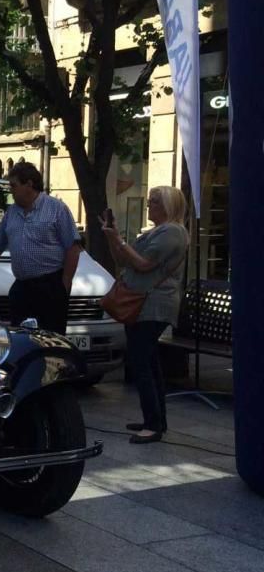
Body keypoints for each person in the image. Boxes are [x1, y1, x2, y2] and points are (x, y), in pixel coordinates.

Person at [102, 186, 189, 444]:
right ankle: (156, 419)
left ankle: (153, 425)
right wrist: (111, 235)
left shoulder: (172, 232)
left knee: (140, 361)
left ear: (168, 206)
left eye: (154, 202)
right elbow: (123, 260)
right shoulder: (156, 232)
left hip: (153, 304)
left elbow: (142, 264)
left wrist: (118, 240)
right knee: (148, 362)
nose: (148, 205)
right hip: (142, 303)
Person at [0, 162, 81, 334]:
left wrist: (65, 282)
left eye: (14, 185)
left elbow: (73, 247)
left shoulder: (56, 209)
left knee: (50, 338)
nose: (11, 190)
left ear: (29, 184)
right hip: (22, 287)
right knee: (21, 337)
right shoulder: (12, 213)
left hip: (50, 285)